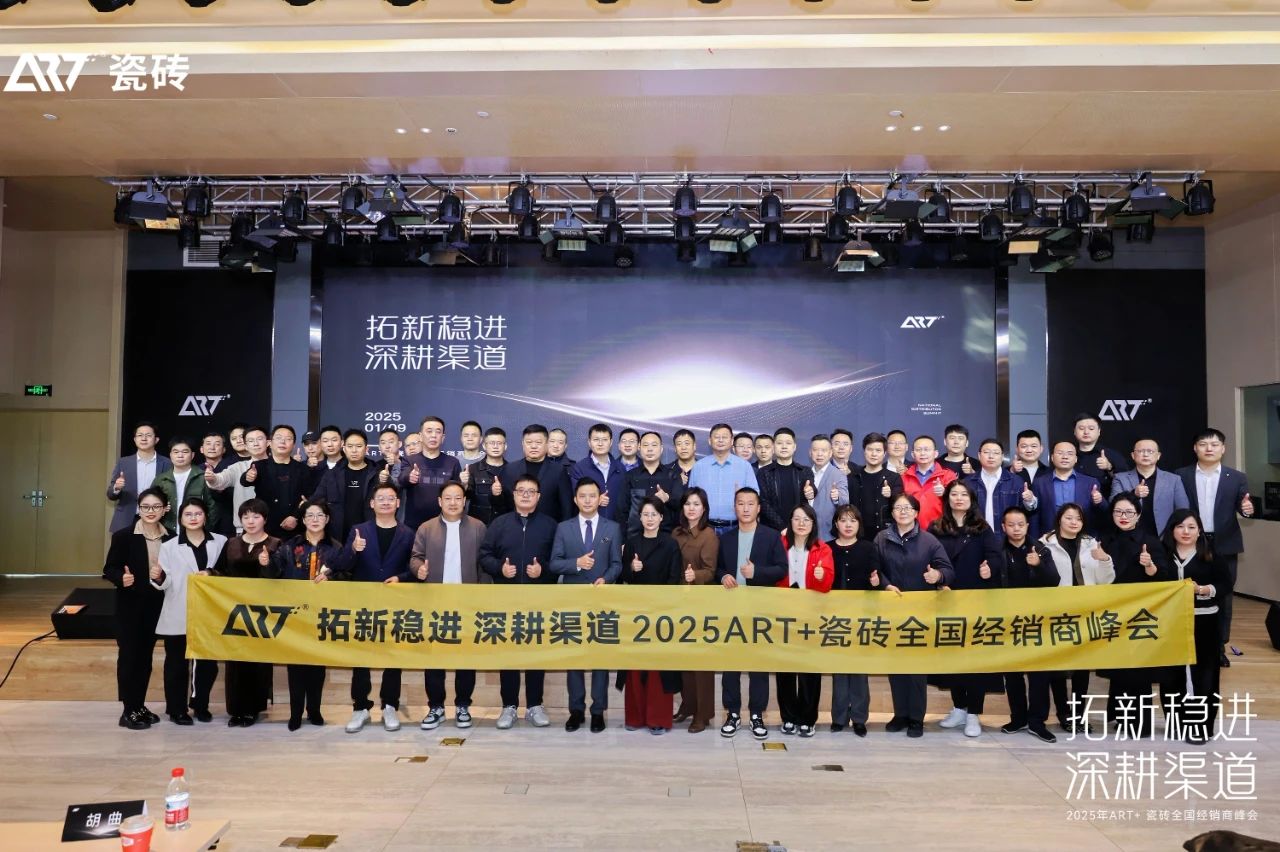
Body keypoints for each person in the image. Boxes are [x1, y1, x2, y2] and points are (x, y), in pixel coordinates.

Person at [478, 474, 558, 730]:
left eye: (531, 491)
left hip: (538, 600)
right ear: (513, 495)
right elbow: (484, 556)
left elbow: (559, 560)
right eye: (521, 490)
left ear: (538, 497)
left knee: (535, 653)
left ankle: (535, 705)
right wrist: (500, 569)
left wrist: (543, 571)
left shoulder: (550, 525)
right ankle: (509, 706)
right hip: (506, 599)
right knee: (509, 653)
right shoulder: (499, 524)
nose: (525, 495)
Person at [873, 493, 954, 737]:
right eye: (898, 508)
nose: (903, 512)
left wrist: (937, 576)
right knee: (896, 666)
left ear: (916, 513)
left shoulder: (929, 541)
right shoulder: (881, 538)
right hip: (892, 611)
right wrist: (885, 584)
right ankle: (900, 714)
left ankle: (916, 718)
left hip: (920, 614)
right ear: (892, 513)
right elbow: (874, 569)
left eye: (908, 508)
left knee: (917, 669)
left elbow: (948, 570)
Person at [338, 483, 417, 733]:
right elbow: (343, 564)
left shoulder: (408, 533)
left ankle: (389, 705)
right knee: (361, 656)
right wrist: (353, 549)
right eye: (380, 498)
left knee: (392, 655)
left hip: (394, 602)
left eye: (390, 498)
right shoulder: (358, 530)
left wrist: (401, 578)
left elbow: (414, 569)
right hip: (364, 602)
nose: (385, 502)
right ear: (372, 504)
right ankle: (360, 707)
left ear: (398, 503)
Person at [409, 481, 488, 730]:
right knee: (434, 658)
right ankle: (436, 707)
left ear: (464, 501)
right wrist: (418, 570)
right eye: (448, 498)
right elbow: (415, 557)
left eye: (458, 498)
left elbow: (484, 564)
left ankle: (463, 705)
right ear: (439, 501)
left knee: (466, 658)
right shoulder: (426, 528)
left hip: (468, 603)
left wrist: (483, 596)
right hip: (435, 602)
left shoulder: (478, 527)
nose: (453, 502)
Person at [929, 481, 1004, 738]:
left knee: (974, 660)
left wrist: (990, 569)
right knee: (952, 658)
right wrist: (937, 580)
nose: (958, 498)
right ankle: (959, 707)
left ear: (972, 500)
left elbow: (995, 556)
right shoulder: (937, 527)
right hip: (946, 599)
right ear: (947, 499)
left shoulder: (982, 528)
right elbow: (929, 560)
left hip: (976, 601)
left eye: (964, 494)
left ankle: (974, 713)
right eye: (954, 494)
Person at [550, 478, 623, 733]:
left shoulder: (612, 528)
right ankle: (576, 710)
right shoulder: (563, 528)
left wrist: (607, 578)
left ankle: (598, 711)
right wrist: (577, 564)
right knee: (575, 657)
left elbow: (617, 563)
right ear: (575, 499)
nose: (588, 500)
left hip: (602, 601)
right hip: (573, 600)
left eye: (592, 495)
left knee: (600, 657)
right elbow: (554, 563)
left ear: (600, 498)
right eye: (583, 496)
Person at [1176, 428, 1254, 666]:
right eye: (1203, 444)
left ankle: (1218, 647)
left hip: (1225, 544)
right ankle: (1186, 644)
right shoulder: (1181, 475)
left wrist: (1247, 510)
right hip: (1190, 542)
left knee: (1224, 595)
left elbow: (1244, 505)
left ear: (1223, 448)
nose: (1209, 448)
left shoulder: (1237, 477)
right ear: (1195, 448)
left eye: (1214, 444)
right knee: (1187, 592)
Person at [715, 487, 787, 740]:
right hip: (732, 608)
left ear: (758, 508)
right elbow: (718, 569)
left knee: (758, 664)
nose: (745, 508)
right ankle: (732, 713)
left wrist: (758, 573)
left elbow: (781, 568)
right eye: (740, 503)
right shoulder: (726, 538)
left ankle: (757, 714)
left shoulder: (771, 536)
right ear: (734, 507)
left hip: (760, 608)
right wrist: (723, 576)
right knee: (730, 664)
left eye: (750, 504)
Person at [1099, 492, 1171, 738]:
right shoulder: (1104, 541)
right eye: (1118, 511)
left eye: (1129, 512)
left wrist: (1150, 566)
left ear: (1138, 515)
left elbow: (1164, 577)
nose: (1123, 516)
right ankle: (1120, 718)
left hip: (1140, 613)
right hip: (1113, 612)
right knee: (1118, 667)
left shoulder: (1149, 542)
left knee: (1138, 670)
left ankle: (1141, 723)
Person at [1039, 502, 1115, 732]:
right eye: (1069, 517)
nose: (1074, 522)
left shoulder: (1091, 543)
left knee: (1082, 667)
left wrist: (1104, 560)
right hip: (1056, 613)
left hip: (1085, 612)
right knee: (1057, 667)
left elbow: (1106, 581)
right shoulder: (1045, 544)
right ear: (1059, 519)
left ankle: (1079, 714)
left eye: (1078, 518)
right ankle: (1064, 713)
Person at [268, 499, 343, 730]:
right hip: (296, 613)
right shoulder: (290, 545)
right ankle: (295, 713)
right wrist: (266, 562)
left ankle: (315, 710)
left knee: (317, 666)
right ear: (303, 520)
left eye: (320, 515)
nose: (315, 519)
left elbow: (346, 575)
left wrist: (331, 577)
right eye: (310, 515)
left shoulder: (336, 547)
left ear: (327, 519)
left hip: (322, 614)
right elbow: (274, 573)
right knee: (296, 666)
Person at [151, 497, 225, 726]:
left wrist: (212, 573)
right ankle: (176, 709)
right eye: (188, 514)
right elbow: (165, 581)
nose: (193, 518)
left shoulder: (221, 541)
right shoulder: (169, 546)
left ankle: (200, 705)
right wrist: (158, 577)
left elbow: (227, 573)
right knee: (176, 664)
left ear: (205, 517)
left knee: (207, 665)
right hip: (178, 610)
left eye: (198, 514)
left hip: (211, 612)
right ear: (180, 519)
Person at [103, 487, 172, 730]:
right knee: (130, 657)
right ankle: (128, 710)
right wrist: (121, 579)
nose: (150, 511)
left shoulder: (171, 537)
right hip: (130, 606)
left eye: (156, 507)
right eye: (145, 507)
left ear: (165, 509)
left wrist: (162, 577)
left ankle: (139, 705)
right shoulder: (124, 536)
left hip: (156, 606)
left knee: (145, 658)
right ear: (139, 509)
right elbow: (109, 569)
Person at [1158, 509, 1230, 744]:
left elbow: (1225, 584)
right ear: (1172, 530)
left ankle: (1201, 727)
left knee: (1205, 675)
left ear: (1199, 530)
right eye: (1180, 526)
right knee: (1171, 674)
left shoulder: (1210, 553)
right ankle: (1176, 723)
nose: (1186, 532)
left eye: (1191, 527)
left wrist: (1203, 590)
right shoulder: (1162, 554)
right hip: (1170, 622)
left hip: (1205, 620)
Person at [619, 498, 684, 734]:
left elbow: (674, 578)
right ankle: (635, 717)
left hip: (661, 613)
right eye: (645, 514)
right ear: (640, 517)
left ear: (661, 518)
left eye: (654, 514)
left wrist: (661, 604)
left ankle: (658, 719)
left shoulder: (670, 544)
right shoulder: (632, 543)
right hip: (636, 613)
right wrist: (632, 569)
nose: (649, 519)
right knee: (635, 667)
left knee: (658, 670)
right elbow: (623, 576)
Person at [997, 506, 1060, 742]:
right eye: (1011, 525)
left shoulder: (1041, 549)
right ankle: (1018, 718)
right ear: (1003, 527)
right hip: (1007, 620)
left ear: (1027, 526)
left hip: (1036, 620)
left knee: (1039, 674)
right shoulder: (997, 550)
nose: (1016, 529)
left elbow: (1054, 581)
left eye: (1020, 524)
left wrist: (1038, 565)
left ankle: (1037, 721)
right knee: (1012, 673)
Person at [218, 499, 280, 727]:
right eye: (245, 517)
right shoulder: (232, 543)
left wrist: (267, 564)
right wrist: (208, 574)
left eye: (255, 516)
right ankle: (236, 709)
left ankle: (253, 709)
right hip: (234, 611)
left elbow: (279, 577)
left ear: (265, 519)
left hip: (262, 613)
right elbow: (221, 571)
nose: (250, 521)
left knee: (257, 661)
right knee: (235, 661)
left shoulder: (275, 543)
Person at [775, 504, 834, 737]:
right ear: (790, 522)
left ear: (813, 524)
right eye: (797, 519)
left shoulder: (822, 548)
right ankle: (788, 717)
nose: (801, 524)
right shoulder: (779, 544)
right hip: (783, 614)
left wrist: (820, 577)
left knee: (810, 670)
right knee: (785, 668)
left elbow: (827, 585)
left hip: (811, 616)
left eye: (806, 520)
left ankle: (808, 718)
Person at [828, 505, 878, 736]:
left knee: (859, 670)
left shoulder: (869, 548)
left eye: (853, 520)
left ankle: (859, 718)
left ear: (859, 524)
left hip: (861, 617)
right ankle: (838, 717)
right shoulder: (827, 548)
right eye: (843, 520)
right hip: (834, 617)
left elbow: (876, 578)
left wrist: (876, 582)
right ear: (836, 524)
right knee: (839, 669)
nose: (848, 525)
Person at [671, 487, 718, 733]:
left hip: (700, 601)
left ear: (704, 509)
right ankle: (688, 705)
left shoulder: (709, 535)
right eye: (688, 503)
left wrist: (695, 576)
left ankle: (703, 713)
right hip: (678, 600)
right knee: (683, 658)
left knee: (701, 662)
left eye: (696, 504)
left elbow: (711, 571)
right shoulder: (675, 533)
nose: (691, 508)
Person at [689, 423, 759, 535]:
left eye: (725, 437)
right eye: (717, 437)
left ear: (732, 441)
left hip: (735, 527)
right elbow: (690, 498)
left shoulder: (744, 466)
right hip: (704, 527)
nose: (720, 440)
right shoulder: (699, 466)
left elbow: (755, 497)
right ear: (710, 441)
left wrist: (743, 496)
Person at [1110, 438, 1189, 536]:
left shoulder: (1173, 479)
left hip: (1164, 536)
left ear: (1158, 455)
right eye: (1141, 451)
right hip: (1129, 535)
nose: (1145, 454)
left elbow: (1183, 510)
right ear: (1133, 455)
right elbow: (1113, 504)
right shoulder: (1120, 478)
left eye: (1150, 451)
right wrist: (1134, 494)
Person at [311, 429, 379, 542]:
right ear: (344, 449)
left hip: (370, 533)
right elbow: (317, 499)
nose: (354, 450)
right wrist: (306, 505)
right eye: (350, 446)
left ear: (366, 449)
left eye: (358, 446)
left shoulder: (377, 474)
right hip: (337, 535)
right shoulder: (332, 474)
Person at [241, 424, 307, 538]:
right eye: (279, 438)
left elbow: (308, 497)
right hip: (265, 528)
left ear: (294, 445)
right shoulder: (259, 466)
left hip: (294, 527)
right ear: (270, 443)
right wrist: (248, 476)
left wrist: (295, 517)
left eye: (288, 439)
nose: (283, 442)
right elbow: (245, 481)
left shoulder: (303, 469)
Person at [1029, 440, 1105, 539]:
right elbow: (1034, 516)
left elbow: (1104, 511)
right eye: (1060, 453)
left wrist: (1099, 501)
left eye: (1070, 453)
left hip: (1082, 537)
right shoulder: (1039, 483)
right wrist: (1034, 541)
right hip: (1049, 537)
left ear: (1076, 459)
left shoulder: (1090, 482)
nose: (1065, 457)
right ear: (1052, 457)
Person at [107, 421, 173, 534]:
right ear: (134, 439)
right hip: (127, 519)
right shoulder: (124, 462)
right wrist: (116, 488)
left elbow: (171, 491)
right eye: (140, 435)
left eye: (148, 435)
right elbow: (110, 494)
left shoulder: (167, 463)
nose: (144, 438)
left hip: (157, 519)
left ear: (156, 440)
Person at [399, 415, 462, 529]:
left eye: (438, 432)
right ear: (420, 436)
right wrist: (409, 477)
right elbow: (402, 479)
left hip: (445, 525)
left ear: (443, 437)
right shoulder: (410, 460)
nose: (433, 435)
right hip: (414, 526)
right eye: (429, 431)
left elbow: (458, 492)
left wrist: (465, 484)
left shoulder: (453, 462)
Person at [501, 424, 573, 522]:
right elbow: (502, 505)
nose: (533, 446)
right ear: (522, 444)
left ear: (547, 444)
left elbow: (567, 507)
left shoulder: (558, 471)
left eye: (538, 442)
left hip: (548, 528)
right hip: (515, 526)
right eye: (529, 442)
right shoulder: (510, 469)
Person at [619, 431, 684, 537]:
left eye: (654, 445)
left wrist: (667, 498)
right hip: (635, 537)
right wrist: (623, 539)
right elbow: (622, 511)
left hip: (666, 537)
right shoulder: (630, 476)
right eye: (645, 445)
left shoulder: (672, 475)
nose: (649, 449)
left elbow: (681, 505)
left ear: (661, 449)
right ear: (639, 448)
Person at [207, 425, 267, 534]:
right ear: (246, 446)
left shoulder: (278, 467)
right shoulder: (237, 467)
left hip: (273, 528)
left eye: (259, 439)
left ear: (268, 442)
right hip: (243, 529)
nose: (255, 443)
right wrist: (212, 478)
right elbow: (221, 480)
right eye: (251, 441)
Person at [153, 436, 218, 535]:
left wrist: (206, 529)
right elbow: (151, 505)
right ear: (170, 455)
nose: (180, 455)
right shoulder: (161, 479)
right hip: (166, 531)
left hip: (196, 532)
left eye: (185, 452)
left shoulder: (203, 477)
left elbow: (213, 506)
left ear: (192, 455)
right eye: (176, 452)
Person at [756, 428, 813, 532]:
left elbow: (812, 489)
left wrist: (811, 492)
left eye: (788, 443)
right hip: (771, 530)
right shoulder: (763, 472)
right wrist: (782, 527)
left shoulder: (805, 471)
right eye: (779, 443)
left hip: (798, 528)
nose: (784, 446)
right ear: (773, 446)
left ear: (794, 447)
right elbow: (763, 502)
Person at [569, 423, 628, 523]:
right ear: (589, 442)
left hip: (616, 524)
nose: (600, 444)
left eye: (604, 440)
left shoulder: (620, 467)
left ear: (611, 442)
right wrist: (595, 499)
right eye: (596, 439)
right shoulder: (579, 468)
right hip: (589, 523)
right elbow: (577, 497)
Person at [847, 432, 902, 539]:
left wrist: (891, 495)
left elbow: (900, 506)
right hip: (857, 535)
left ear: (884, 453)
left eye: (878, 450)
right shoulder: (853, 477)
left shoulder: (894, 478)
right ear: (864, 451)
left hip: (885, 536)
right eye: (870, 449)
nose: (874, 454)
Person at [965, 438, 1026, 532]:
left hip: (1006, 536)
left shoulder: (1016, 481)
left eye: (996, 453)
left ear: (1002, 457)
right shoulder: (968, 482)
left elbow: (1025, 511)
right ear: (979, 455)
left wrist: (1030, 501)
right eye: (986, 452)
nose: (991, 456)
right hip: (976, 535)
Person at [901, 435, 956, 531]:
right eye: (918, 450)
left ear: (935, 453)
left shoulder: (948, 476)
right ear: (913, 454)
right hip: (910, 530)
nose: (923, 453)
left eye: (927, 449)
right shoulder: (904, 477)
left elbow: (958, 502)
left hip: (940, 530)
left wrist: (945, 493)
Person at [464, 426, 512, 525]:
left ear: (505, 446)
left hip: (504, 525)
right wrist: (463, 484)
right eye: (491, 443)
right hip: (478, 525)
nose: (495, 446)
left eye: (499, 443)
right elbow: (465, 497)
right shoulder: (473, 469)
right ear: (484, 446)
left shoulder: (513, 470)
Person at [1073, 413, 1128, 492]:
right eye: (1081, 428)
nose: (1086, 432)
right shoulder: (1067, 454)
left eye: (1091, 428)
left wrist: (1109, 468)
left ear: (1099, 431)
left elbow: (1125, 483)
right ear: (1074, 431)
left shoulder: (1111, 455)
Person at [808, 434, 848, 542]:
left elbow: (845, 502)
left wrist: (837, 497)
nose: (819, 454)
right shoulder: (804, 473)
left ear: (830, 453)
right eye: (815, 450)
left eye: (824, 450)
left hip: (827, 534)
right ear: (810, 453)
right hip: (805, 533)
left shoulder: (838, 475)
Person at [199, 431, 236, 537]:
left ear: (224, 449)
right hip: (203, 521)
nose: (212, 447)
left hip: (229, 521)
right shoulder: (196, 470)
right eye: (208, 443)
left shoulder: (233, 468)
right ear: (201, 449)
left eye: (217, 444)